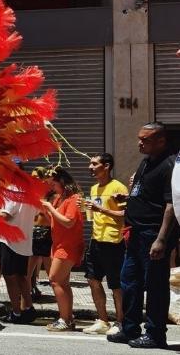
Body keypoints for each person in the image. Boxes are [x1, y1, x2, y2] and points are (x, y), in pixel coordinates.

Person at [108, 122, 177, 349]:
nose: (140, 143)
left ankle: (156, 334)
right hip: (136, 232)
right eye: (139, 138)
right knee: (129, 282)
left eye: (145, 140)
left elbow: (170, 205)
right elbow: (145, 195)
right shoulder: (146, 162)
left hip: (153, 234)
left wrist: (161, 239)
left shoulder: (170, 165)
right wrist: (127, 199)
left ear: (161, 141)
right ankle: (130, 329)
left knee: (155, 285)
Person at [81, 153, 127, 335]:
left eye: (94, 164)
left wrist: (100, 209)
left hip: (113, 241)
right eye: (90, 164)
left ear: (106, 166)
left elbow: (125, 215)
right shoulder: (94, 188)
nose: (90, 167)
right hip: (96, 240)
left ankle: (121, 322)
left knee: (116, 284)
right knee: (93, 279)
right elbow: (94, 214)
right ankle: (102, 320)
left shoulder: (118, 187)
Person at [39, 166, 84, 332]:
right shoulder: (59, 199)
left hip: (68, 245)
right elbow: (56, 220)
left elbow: (68, 222)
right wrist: (46, 209)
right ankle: (68, 318)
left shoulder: (73, 198)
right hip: (58, 244)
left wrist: (50, 208)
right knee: (62, 282)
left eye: (53, 184)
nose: (51, 188)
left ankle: (65, 319)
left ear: (62, 182)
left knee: (55, 279)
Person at [0, 162, 38, 325]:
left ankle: (16, 312)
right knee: (21, 276)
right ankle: (28, 308)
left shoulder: (13, 189)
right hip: (24, 240)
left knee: (9, 277)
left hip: (10, 241)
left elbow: (5, 215)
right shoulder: (30, 191)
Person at [28, 166, 54, 300]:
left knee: (50, 267)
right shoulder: (31, 192)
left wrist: (44, 209)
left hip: (46, 231)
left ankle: (59, 296)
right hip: (31, 230)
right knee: (29, 268)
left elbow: (53, 216)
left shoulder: (50, 194)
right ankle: (28, 295)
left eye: (36, 177)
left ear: (44, 179)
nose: (33, 180)